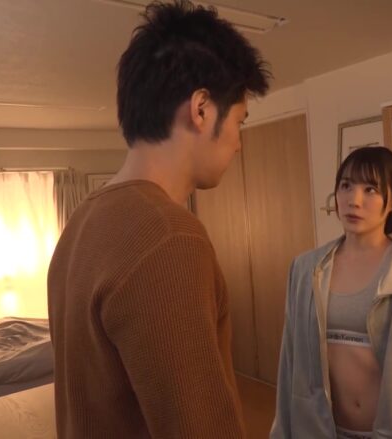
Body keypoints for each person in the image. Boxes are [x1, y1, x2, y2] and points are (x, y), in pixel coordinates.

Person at [47, 1, 270, 437]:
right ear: (202, 109)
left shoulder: (80, 222)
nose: (238, 143)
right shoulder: (168, 237)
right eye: (240, 122)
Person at [270, 146, 392, 438]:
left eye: (370, 189)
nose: (354, 200)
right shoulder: (306, 270)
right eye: (346, 186)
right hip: (318, 431)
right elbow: (290, 363)